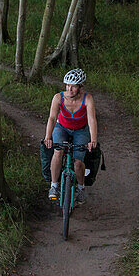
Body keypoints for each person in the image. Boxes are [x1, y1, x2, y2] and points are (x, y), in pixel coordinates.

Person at [44, 68, 98, 204]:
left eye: (73, 86)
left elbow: (91, 120)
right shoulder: (58, 98)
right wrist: (48, 136)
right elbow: (52, 118)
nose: (70, 89)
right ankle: (54, 186)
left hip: (80, 130)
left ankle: (81, 189)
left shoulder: (87, 99)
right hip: (62, 128)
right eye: (67, 85)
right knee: (58, 152)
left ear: (80, 87)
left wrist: (93, 139)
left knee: (78, 162)